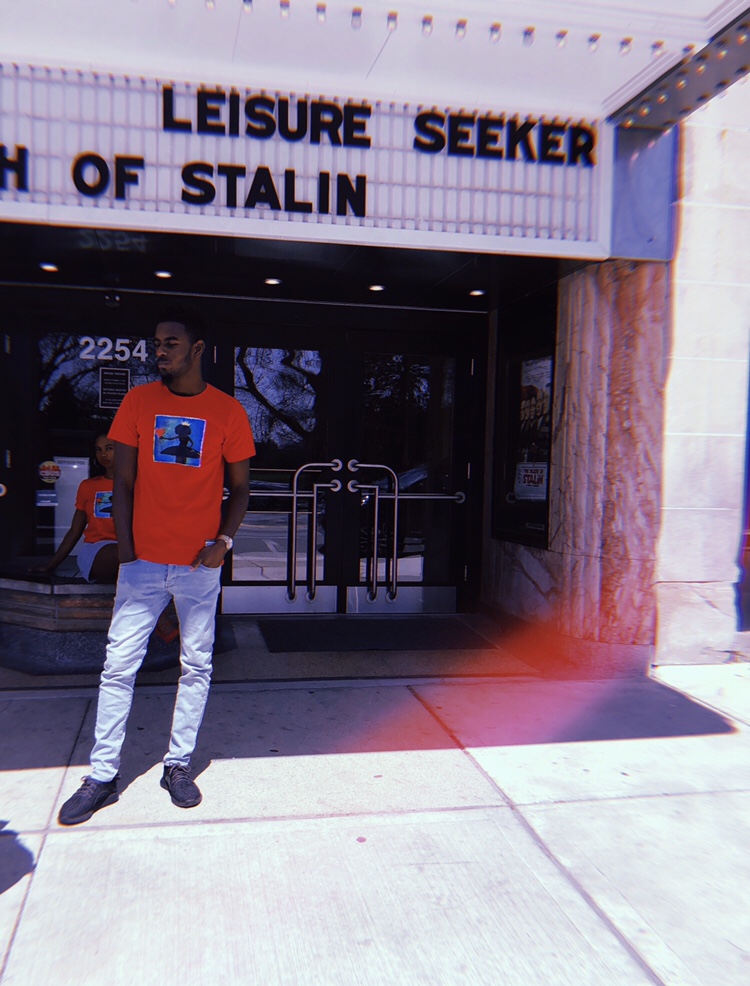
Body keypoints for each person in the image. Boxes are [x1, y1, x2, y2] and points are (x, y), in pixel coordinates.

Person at [58, 307, 255, 825]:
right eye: (156, 343)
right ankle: (102, 775)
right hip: (142, 564)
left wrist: (223, 543)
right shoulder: (139, 402)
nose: (159, 351)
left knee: (197, 665)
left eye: (171, 343)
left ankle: (178, 765)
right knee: (118, 666)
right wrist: (127, 549)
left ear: (197, 349)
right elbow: (121, 483)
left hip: (198, 566)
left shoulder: (228, 411)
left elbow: (240, 489)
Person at [31, 433, 119, 583]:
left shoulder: (138, 485)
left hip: (130, 548)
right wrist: (51, 565)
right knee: (122, 556)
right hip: (97, 548)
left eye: (109, 448)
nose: (103, 454)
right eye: (98, 450)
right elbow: (74, 531)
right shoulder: (89, 486)